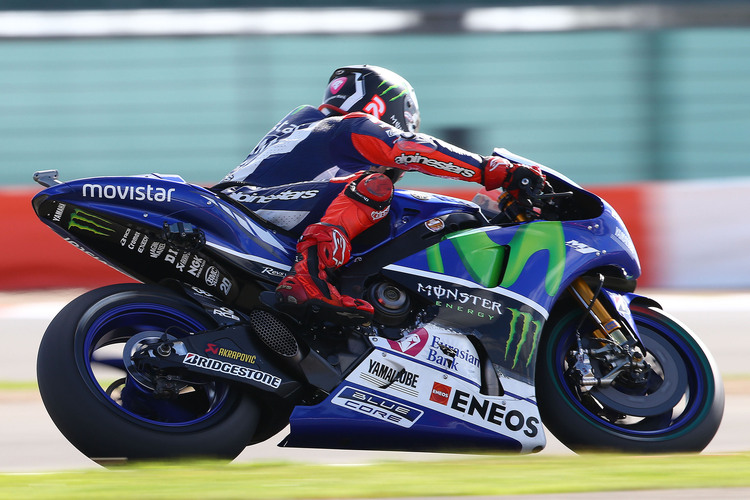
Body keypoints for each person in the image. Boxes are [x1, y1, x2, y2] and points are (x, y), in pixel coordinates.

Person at [220, 64, 545, 323]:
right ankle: (309, 277)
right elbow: (406, 148)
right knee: (374, 188)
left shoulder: (306, 128)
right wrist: (493, 170)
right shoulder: (344, 126)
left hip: (243, 205)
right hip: (252, 207)